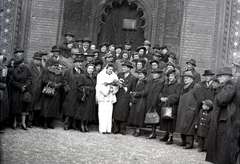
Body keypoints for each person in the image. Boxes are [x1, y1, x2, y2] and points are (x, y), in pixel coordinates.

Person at [206, 67, 236, 164]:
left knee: (223, 146)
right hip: (223, 119)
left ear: (228, 76)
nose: (219, 78)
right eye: (218, 76)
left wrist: (217, 97)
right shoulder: (225, 85)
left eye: (221, 76)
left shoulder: (229, 84)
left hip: (224, 119)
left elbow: (222, 99)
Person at [176, 71, 204, 149]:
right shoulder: (183, 87)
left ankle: (189, 143)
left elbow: (200, 100)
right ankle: (184, 141)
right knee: (182, 126)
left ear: (192, 79)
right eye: (184, 78)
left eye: (187, 78)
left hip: (191, 111)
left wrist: (194, 109)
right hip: (182, 110)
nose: (185, 80)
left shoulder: (196, 86)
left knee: (189, 127)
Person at [9, 47, 32, 130]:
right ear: (18, 64)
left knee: (24, 107)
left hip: (24, 90)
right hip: (16, 91)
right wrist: (20, 87)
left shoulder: (27, 69)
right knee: (15, 108)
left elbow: (29, 78)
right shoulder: (12, 70)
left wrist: (26, 86)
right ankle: (14, 123)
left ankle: (23, 123)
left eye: (23, 62)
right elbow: (11, 81)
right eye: (22, 63)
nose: (23, 64)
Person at [113, 61, 137, 135]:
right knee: (116, 112)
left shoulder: (133, 78)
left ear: (129, 69)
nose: (123, 68)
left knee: (124, 113)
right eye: (123, 67)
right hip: (118, 95)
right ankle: (116, 128)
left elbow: (133, 90)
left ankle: (123, 129)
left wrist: (131, 100)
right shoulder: (119, 75)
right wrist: (117, 84)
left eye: (125, 67)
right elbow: (114, 83)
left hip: (126, 97)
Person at [159, 69, 182, 144]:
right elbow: (161, 92)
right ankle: (166, 134)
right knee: (165, 120)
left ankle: (170, 137)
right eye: (169, 76)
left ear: (175, 77)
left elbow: (177, 95)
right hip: (165, 105)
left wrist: (168, 98)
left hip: (172, 106)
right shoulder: (165, 85)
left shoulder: (178, 85)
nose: (170, 77)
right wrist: (161, 97)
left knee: (171, 122)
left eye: (172, 76)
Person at [62, 56, 84, 130]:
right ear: (74, 63)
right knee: (69, 109)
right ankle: (66, 124)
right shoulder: (68, 71)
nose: (80, 64)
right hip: (71, 92)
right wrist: (68, 89)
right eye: (78, 62)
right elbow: (64, 81)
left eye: (81, 62)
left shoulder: (82, 72)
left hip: (78, 93)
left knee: (76, 108)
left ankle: (74, 124)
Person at [96, 64, 119, 134]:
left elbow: (116, 86)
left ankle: (108, 129)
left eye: (112, 69)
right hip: (103, 97)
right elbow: (99, 86)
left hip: (110, 96)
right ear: (106, 69)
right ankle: (102, 129)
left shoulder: (114, 76)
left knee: (109, 113)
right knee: (102, 113)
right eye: (109, 69)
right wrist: (106, 90)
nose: (111, 71)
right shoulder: (101, 76)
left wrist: (113, 89)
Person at [40, 62, 64, 129]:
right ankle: (44, 122)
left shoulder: (60, 73)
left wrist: (58, 85)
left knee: (53, 107)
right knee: (46, 107)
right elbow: (44, 80)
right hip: (48, 91)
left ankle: (50, 122)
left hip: (56, 92)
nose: (56, 67)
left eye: (58, 66)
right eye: (55, 65)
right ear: (52, 65)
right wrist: (53, 84)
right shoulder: (47, 71)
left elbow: (62, 81)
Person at [75, 63, 96, 132]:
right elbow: (80, 86)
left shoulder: (94, 77)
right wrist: (89, 89)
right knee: (83, 111)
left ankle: (86, 125)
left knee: (88, 111)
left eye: (92, 69)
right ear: (86, 69)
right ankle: (82, 125)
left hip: (91, 97)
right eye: (89, 68)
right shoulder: (82, 76)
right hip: (84, 96)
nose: (91, 70)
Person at [144, 68, 164, 139]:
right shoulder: (151, 81)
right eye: (153, 74)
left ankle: (153, 132)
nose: (154, 75)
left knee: (154, 117)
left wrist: (154, 103)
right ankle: (152, 132)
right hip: (149, 100)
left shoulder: (160, 82)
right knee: (150, 116)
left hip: (154, 101)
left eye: (156, 74)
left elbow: (157, 92)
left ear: (159, 75)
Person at [129, 68, 148, 137]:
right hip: (135, 100)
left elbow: (146, 92)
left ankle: (138, 130)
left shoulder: (146, 82)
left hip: (141, 100)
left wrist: (136, 94)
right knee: (134, 114)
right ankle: (136, 128)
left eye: (141, 74)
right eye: (139, 74)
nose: (140, 76)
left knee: (139, 114)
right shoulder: (136, 81)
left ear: (145, 75)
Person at [28, 52, 45, 127]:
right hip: (32, 89)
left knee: (37, 106)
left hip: (39, 89)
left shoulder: (42, 68)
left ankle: (35, 121)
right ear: (33, 59)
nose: (38, 61)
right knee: (30, 106)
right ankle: (29, 121)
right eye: (37, 60)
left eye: (39, 60)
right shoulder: (29, 67)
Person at [0, 53, 9, 133]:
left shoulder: (4, 69)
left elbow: (6, 80)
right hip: (1, 88)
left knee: (3, 108)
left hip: (3, 91)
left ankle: (2, 125)